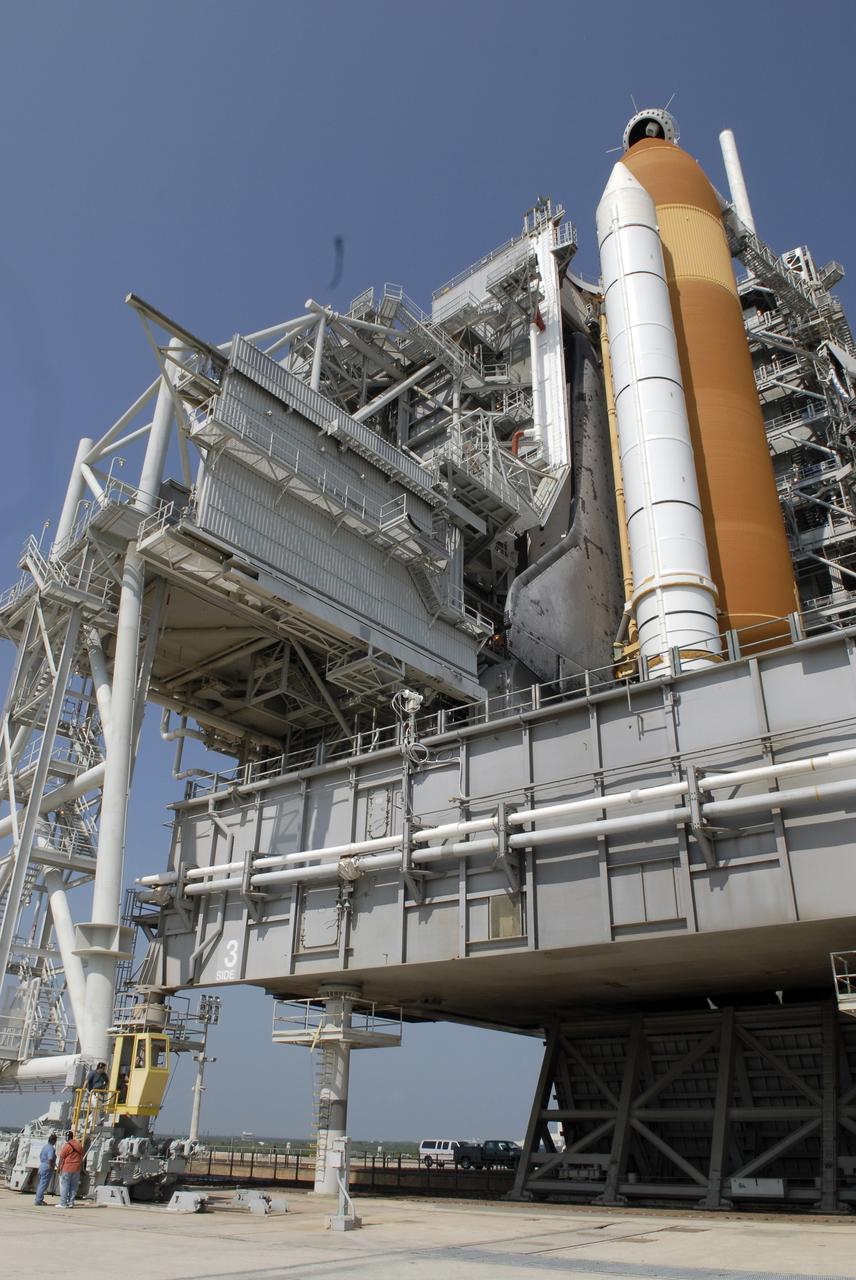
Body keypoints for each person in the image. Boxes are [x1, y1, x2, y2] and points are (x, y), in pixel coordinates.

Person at [57, 1130, 84, 1209]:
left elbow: (62, 1157)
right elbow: (81, 1158)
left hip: (67, 1168)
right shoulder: (79, 1145)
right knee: (73, 1186)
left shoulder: (67, 1145)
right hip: (77, 1169)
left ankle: (63, 1203)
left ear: (67, 1137)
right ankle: (71, 1203)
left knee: (65, 1185)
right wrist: (82, 1169)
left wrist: (59, 1167)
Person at [33, 1133, 57, 1205]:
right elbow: (50, 1159)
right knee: (43, 1185)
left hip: (42, 1166)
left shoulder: (45, 1147)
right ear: (53, 1141)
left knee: (41, 1184)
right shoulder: (51, 1148)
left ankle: (38, 1198)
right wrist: (51, 1167)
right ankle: (39, 1200)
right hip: (47, 1167)